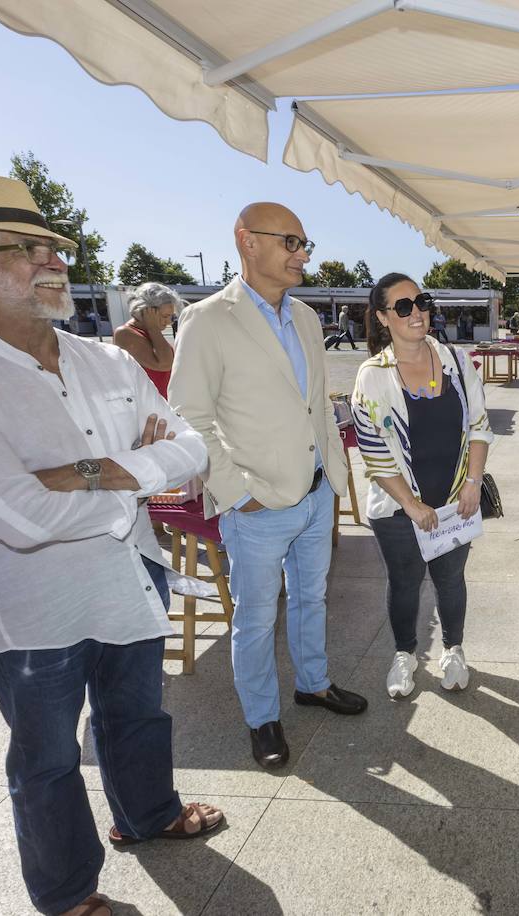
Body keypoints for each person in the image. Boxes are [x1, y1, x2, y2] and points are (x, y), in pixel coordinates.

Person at [0, 173, 221, 916]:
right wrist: (137, 476)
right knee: (45, 762)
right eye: (28, 249)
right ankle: (69, 894)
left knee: (139, 716)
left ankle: (148, 813)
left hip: (134, 576)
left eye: (55, 248)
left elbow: (193, 447)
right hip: (36, 608)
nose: (55, 262)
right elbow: (22, 519)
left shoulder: (107, 360)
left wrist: (91, 474)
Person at [169, 202, 367, 771]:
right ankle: (262, 718)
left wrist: (334, 473)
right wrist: (235, 494)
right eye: (291, 241)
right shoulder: (208, 319)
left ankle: (314, 683)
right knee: (255, 617)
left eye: (306, 243)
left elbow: (319, 407)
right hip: (255, 504)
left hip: (313, 491)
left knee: (313, 598)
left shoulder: (305, 317)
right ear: (246, 242)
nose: (302, 253)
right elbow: (190, 416)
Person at [352, 273, 493, 698]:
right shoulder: (373, 375)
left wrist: (472, 483)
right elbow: (373, 450)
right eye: (403, 306)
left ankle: (453, 650)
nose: (417, 312)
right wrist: (411, 505)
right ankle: (405, 654)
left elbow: (480, 427)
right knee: (405, 581)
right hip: (397, 509)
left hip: (455, 502)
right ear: (382, 318)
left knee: (451, 581)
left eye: (422, 301)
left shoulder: (455, 359)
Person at [112, 281, 179, 397]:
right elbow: (164, 364)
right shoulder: (125, 334)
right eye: (165, 316)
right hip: (146, 410)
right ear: (146, 311)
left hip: (162, 405)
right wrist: (153, 328)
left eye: (171, 316)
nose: (168, 322)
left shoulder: (151, 334)